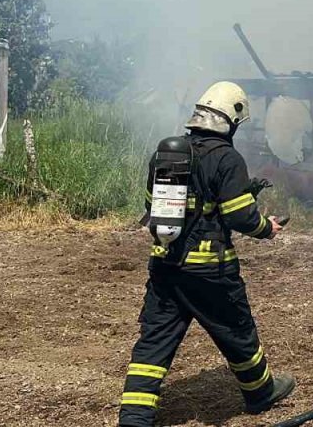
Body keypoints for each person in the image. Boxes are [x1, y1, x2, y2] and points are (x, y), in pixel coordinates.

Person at [118, 81, 296, 426]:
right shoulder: (227, 158)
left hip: (166, 266)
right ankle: (261, 392)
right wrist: (267, 228)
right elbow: (240, 216)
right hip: (210, 270)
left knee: (153, 343)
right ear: (231, 119)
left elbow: (150, 206)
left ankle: (134, 418)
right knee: (237, 331)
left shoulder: (166, 153)